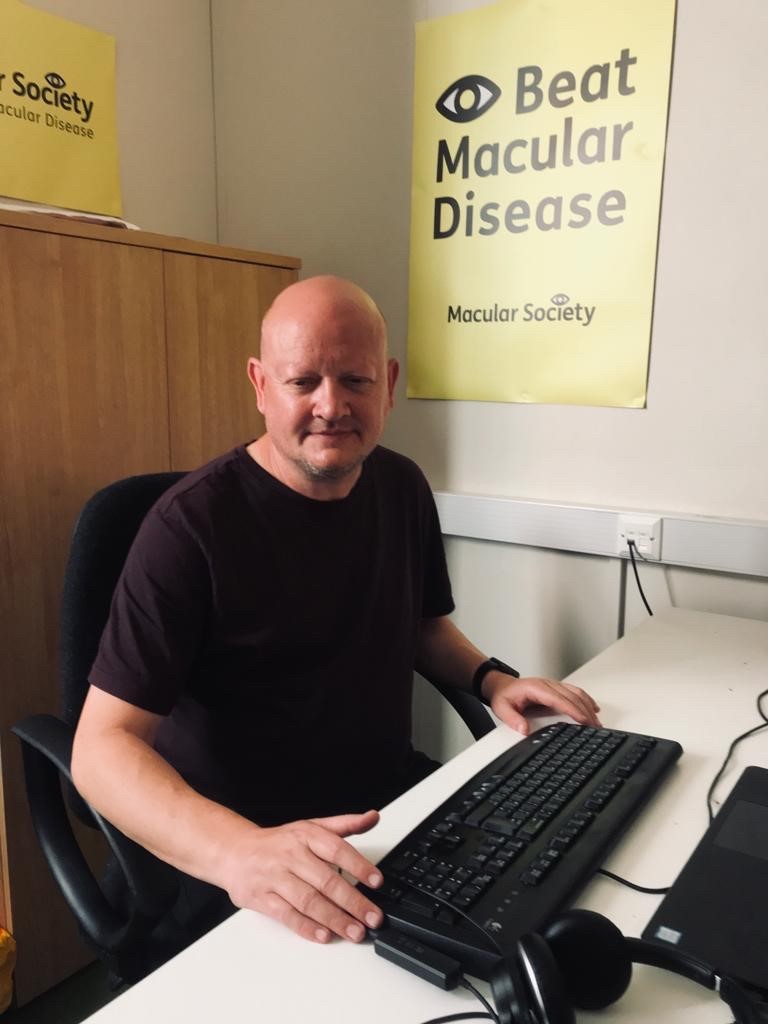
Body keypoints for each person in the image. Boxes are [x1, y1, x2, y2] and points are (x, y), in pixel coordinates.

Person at [71, 275, 600, 950]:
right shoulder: (188, 529)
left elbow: (422, 627)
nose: (332, 405)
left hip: (384, 811)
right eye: (303, 382)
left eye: (355, 380)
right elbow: (99, 748)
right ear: (261, 385)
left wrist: (491, 679)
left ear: (389, 382)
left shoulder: (401, 485)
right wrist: (240, 853)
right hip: (240, 844)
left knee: (539, 913)